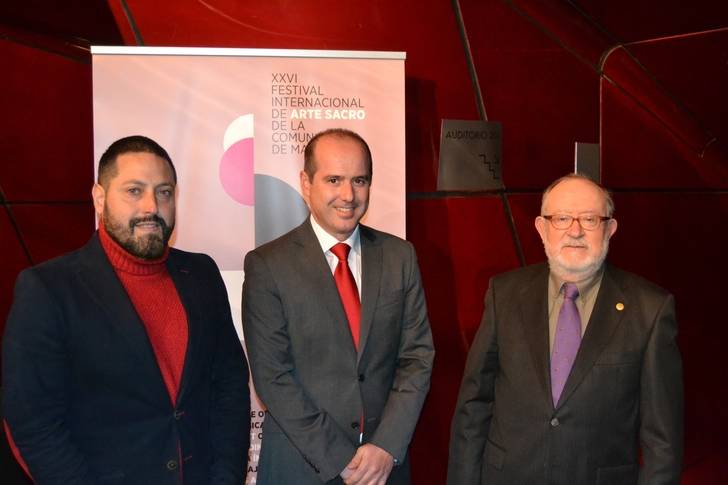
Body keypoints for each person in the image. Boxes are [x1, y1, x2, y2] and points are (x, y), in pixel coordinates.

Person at [2, 135, 250, 484]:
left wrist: (225, 478)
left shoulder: (201, 274)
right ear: (99, 198)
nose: (151, 206)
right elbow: (33, 423)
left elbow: (229, 386)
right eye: (134, 191)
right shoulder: (47, 289)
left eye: (164, 192)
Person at [447, 173, 683, 484]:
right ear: (541, 229)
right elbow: (473, 407)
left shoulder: (650, 310)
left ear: (609, 229)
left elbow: (662, 441)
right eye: (561, 218)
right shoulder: (503, 294)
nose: (575, 231)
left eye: (589, 219)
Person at [242, 128, 434, 485]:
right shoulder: (268, 265)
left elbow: (417, 358)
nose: (348, 195)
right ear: (306, 182)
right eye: (334, 180)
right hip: (302, 466)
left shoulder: (399, 256)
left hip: (383, 469)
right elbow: (273, 377)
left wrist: (385, 447)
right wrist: (342, 459)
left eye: (359, 180)